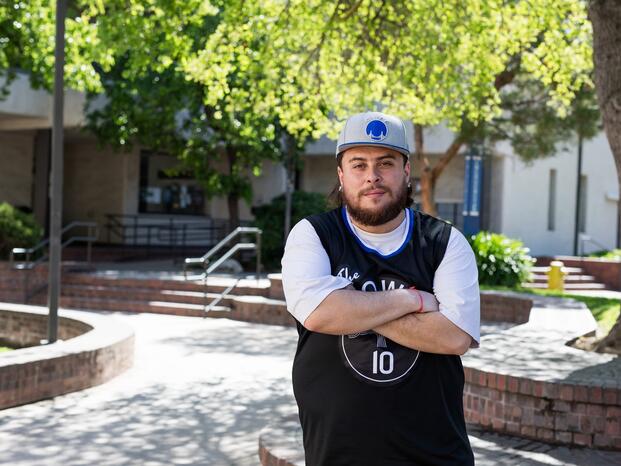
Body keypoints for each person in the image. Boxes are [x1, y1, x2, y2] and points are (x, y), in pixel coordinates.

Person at [281, 111, 480, 465]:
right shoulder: (313, 235)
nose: (372, 176)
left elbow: (453, 338)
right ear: (341, 175)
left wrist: (349, 307)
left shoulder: (445, 242)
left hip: (434, 455)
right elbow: (319, 313)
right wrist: (412, 299)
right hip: (336, 454)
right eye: (358, 165)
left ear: (406, 171)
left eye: (385, 163)